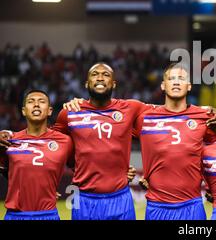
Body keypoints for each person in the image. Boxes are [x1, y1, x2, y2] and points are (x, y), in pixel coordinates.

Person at [1, 63, 142, 220]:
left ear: (114, 83)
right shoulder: (69, 113)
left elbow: (161, 124)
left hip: (120, 197)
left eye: (106, 75)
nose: (100, 78)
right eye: (95, 74)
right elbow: (47, 146)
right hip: (82, 199)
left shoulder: (131, 108)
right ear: (86, 84)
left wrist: (144, 172)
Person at [137, 63, 216, 220]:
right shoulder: (145, 117)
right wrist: (124, 169)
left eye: (181, 78)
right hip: (157, 205)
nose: (177, 82)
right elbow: (115, 135)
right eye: (171, 78)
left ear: (189, 86)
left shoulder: (204, 116)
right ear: (163, 86)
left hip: (192, 206)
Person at [0, 90, 73, 220]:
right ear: (23, 111)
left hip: (48, 215)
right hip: (15, 215)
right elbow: (6, 171)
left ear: (50, 110)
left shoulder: (64, 141)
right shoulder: (8, 141)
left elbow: (83, 162)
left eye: (41, 101)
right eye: (31, 101)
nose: (36, 105)